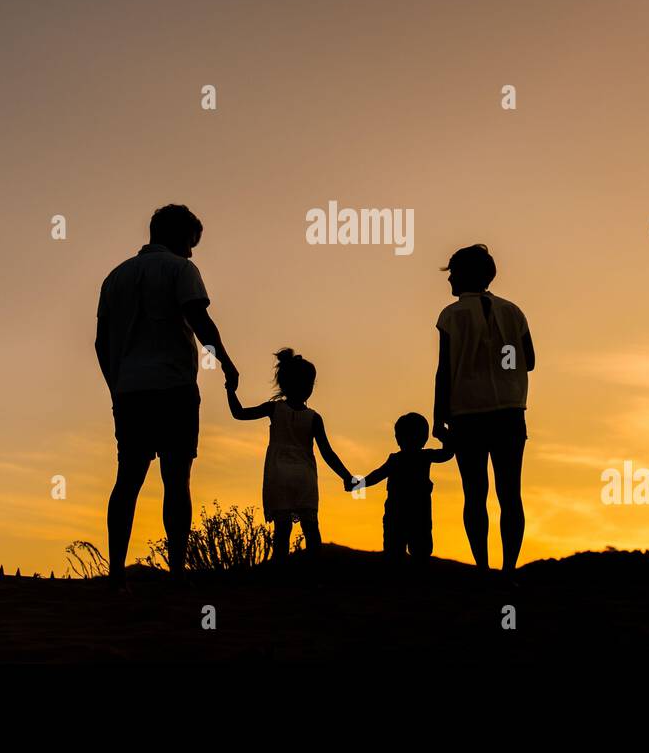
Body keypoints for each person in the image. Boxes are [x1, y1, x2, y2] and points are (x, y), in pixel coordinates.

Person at [95, 204, 238, 586]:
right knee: (177, 480)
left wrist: (116, 384)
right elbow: (200, 320)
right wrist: (225, 360)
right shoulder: (181, 270)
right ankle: (176, 572)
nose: (192, 252)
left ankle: (114, 572)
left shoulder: (115, 277)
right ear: (177, 236)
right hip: (174, 389)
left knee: (127, 479)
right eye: (190, 243)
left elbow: (100, 341)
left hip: (131, 392)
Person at [433, 244, 535, 575]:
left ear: (463, 275)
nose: (449, 280)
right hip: (508, 411)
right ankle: (508, 571)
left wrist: (438, 417)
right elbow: (529, 361)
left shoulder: (451, 315)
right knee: (510, 493)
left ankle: (481, 569)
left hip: (467, 414)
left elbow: (444, 370)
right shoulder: (513, 312)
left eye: (452, 273)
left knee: (474, 494)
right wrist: (502, 361)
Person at [227, 348, 352, 564]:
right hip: (305, 478)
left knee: (282, 531)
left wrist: (230, 390)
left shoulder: (274, 409)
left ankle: (280, 575)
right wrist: (347, 476)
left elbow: (239, 414)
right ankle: (315, 575)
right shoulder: (314, 418)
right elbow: (327, 453)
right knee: (311, 529)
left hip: (278, 476)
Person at [350, 412, 454, 570]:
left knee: (398, 552)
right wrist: (445, 436)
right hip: (416, 515)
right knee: (417, 552)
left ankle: (401, 584)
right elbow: (447, 453)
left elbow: (377, 475)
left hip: (401, 515)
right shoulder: (424, 457)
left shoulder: (397, 460)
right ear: (424, 437)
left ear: (399, 437)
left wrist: (358, 484)